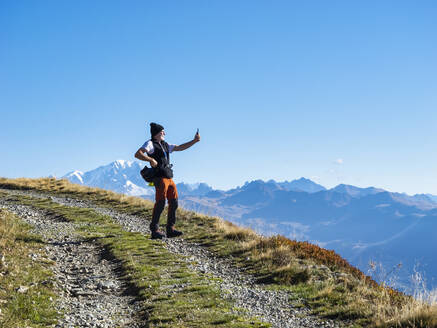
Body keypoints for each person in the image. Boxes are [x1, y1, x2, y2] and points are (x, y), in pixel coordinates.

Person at [134, 122, 201, 239]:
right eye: (162, 132)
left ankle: (170, 229)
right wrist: (150, 159)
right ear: (156, 134)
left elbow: (180, 147)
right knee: (160, 203)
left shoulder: (165, 144)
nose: (164, 133)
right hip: (160, 178)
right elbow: (138, 154)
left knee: (174, 202)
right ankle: (154, 230)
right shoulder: (150, 143)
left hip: (169, 178)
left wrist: (194, 141)